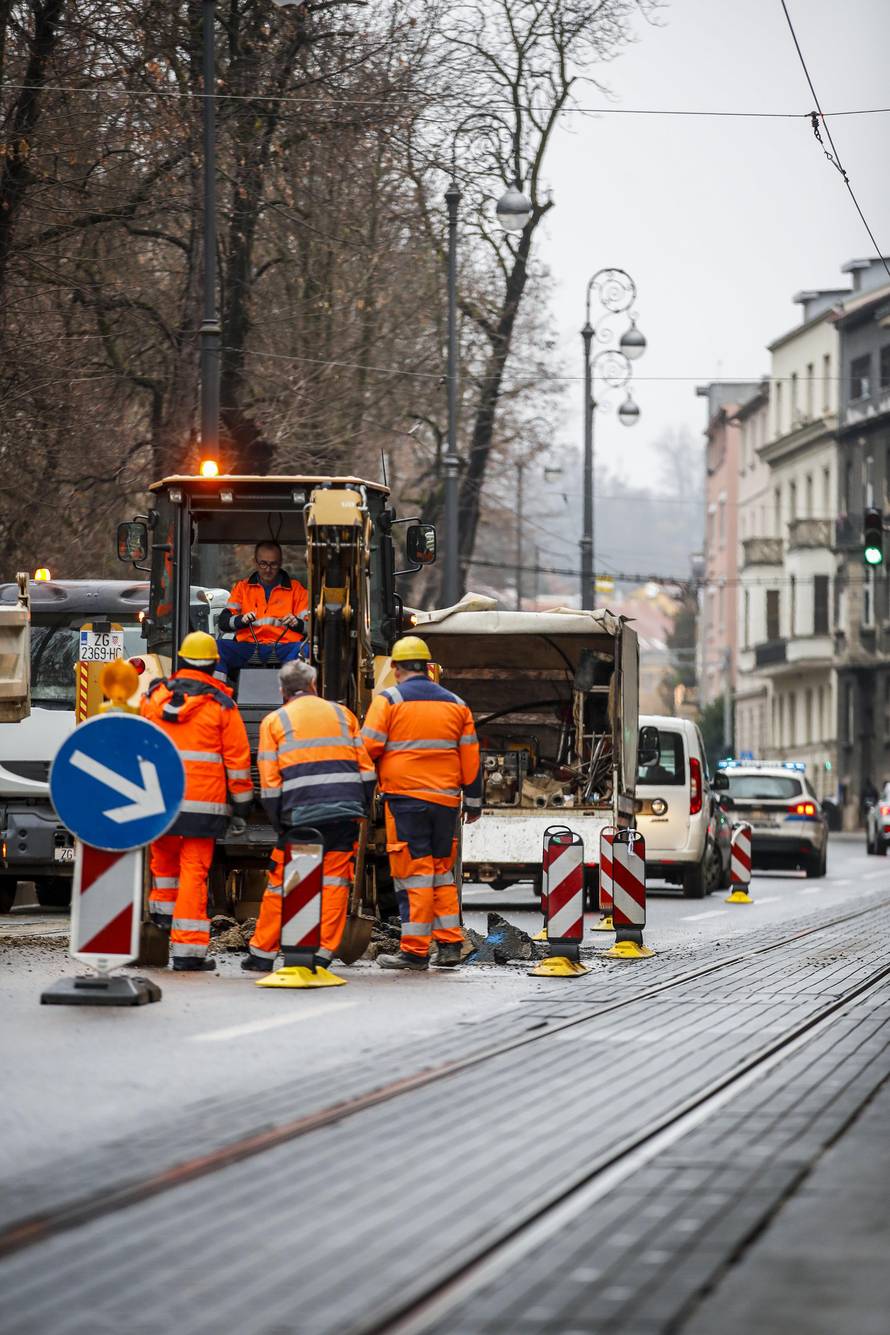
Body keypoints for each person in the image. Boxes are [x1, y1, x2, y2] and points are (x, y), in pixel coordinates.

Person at [243, 659, 377, 973]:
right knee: (334, 883)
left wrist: (280, 823)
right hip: (344, 813)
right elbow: (367, 771)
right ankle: (323, 953)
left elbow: (270, 782)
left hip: (300, 815)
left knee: (284, 881)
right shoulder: (343, 715)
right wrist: (361, 809)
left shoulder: (274, 722)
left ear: (281, 690)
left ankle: (263, 953)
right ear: (314, 686)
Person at [361, 635, 481, 972]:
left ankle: (414, 951)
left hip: (406, 800)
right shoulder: (457, 704)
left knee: (414, 874)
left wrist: (359, 792)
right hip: (445, 803)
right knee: (441, 872)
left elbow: (367, 749)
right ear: (428, 668)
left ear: (396, 668)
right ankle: (449, 945)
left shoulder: (389, 701)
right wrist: (474, 801)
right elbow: (470, 756)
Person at [140, 631, 253, 971]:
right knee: (193, 872)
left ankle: (161, 922)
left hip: (158, 801)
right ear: (215, 663)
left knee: (163, 865)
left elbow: (138, 743)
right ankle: (188, 952)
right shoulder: (221, 705)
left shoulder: (155, 698)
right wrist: (242, 808)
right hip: (204, 806)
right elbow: (237, 761)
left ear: (181, 659)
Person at [216, 541, 309, 679]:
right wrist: (241, 620)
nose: (268, 569)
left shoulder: (297, 590)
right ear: (255, 562)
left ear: (281, 562)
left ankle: (295, 698)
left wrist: (297, 623)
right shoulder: (243, 587)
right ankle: (218, 695)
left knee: (306, 650)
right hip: (248, 647)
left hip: (284, 648)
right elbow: (223, 622)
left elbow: (311, 629)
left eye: (273, 564)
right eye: (263, 563)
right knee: (217, 648)